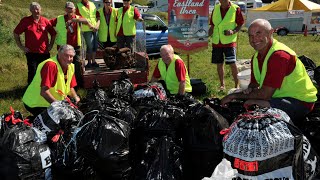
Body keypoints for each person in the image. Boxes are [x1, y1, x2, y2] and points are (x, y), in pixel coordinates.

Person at [221, 19, 317, 126]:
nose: (254, 39)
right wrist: (248, 90)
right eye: (250, 36)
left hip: (300, 102)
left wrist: (233, 96)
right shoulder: (256, 57)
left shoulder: (279, 56)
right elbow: (254, 84)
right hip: (278, 97)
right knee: (243, 102)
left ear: (271, 32)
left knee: (250, 104)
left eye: (259, 33)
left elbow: (265, 94)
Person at [22, 45, 80, 116]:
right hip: (37, 103)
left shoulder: (70, 67)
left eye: (71, 56)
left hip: (52, 103)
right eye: (66, 55)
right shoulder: (50, 65)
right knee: (56, 123)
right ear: (59, 55)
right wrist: (59, 108)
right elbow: (44, 92)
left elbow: (71, 87)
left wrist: (76, 97)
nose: (68, 58)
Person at [13, 2, 56, 85]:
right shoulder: (25, 21)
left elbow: (53, 34)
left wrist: (50, 45)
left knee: (45, 72)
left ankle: (44, 91)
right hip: (31, 52)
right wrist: (21, 46)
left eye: (37, 9)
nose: (36, 11)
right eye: (33, 9)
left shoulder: (45, 21)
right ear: (30, 10)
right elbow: (16, 33)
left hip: (44, 52)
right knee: (32, 72)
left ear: (41, 10)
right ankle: (30, 92)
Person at [50, 1, 89, 87]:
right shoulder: (60, 18)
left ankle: (77, 84)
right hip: (63, 47)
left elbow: (86, 21)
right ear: (65, 9)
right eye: (67, 8)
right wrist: (53, 33)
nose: (69, 10)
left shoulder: (77, 17)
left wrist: (75, 20)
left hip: (75, 47)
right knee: (63, 65)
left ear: (74, 9)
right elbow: (49, 24)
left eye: (71, 8)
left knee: (77, 65)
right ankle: (63, 83)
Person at [208, 0, 244, 90]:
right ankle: (222, 85)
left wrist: (233, 31)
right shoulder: (215, 8)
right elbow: (212, 25)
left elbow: (240, 24)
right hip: (217, 42)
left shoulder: (235, 9)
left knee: (232, 63)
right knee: (219, 64)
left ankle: (237, 85)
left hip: (229, 42)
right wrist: (204, 37)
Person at [76, 0, 100, 68]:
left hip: (95, 28)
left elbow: (97, 15)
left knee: (95, 45)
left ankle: (94, 61)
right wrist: (89, 25)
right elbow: (78, 18)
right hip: (86, 29)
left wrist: (97, 25)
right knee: (90, 46)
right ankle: (89, 62)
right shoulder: (79, 6)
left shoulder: (92, 4)